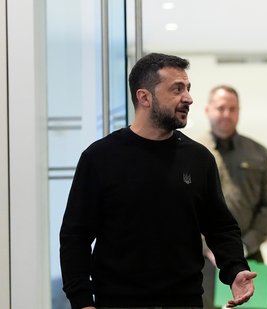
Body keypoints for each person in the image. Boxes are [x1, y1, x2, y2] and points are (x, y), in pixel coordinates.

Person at [59, 53, 256, 309]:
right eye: (177, 89)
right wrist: (82, 301)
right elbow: (75, 236)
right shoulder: (100, 158)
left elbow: (221, 228)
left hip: (185, 302)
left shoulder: (198, 159)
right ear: (144, 97)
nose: (189, 98)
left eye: (188, 88)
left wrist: (235, 270)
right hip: (118, 301)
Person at [199, 85, 267, 309]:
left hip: (250, 259)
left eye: (232, 109)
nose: (226, 114)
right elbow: (182, 209)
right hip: (202, 263)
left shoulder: (258, 153)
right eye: (221, 108)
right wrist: (208, 247)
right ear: (208, 110)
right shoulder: (193, 154)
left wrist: (244, 246)